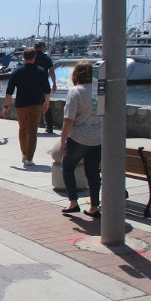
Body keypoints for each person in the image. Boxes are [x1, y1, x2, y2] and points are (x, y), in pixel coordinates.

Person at [60, 61, 102, 218]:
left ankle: (73, 203)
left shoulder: (75, 91)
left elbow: (69, 119)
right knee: (93, 172)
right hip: (98, 137)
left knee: (67, 167)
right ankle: (94, 206)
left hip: (79, 137)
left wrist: (63, 141)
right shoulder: (99, 91)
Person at [2, 47, 51, 167]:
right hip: (36, 104)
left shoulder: (17, 72)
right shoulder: (41, 71)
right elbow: (47, 90)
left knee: (23, 129)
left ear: (23, 57)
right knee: (33, 131)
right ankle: (29, 158)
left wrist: (6, 106)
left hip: (21, 105)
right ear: (34, 57)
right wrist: (47, 103)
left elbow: (9, 92)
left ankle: (24, 153)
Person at [34, 41, 57, 133]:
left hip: (34, 83)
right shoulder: (46, 58)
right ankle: (49, 126)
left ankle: (35, 124)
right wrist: (54, 83)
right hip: (44, 83)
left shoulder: (32, 57)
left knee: (34, 104)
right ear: (42, 47)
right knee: (46, 104)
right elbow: (51, 71)